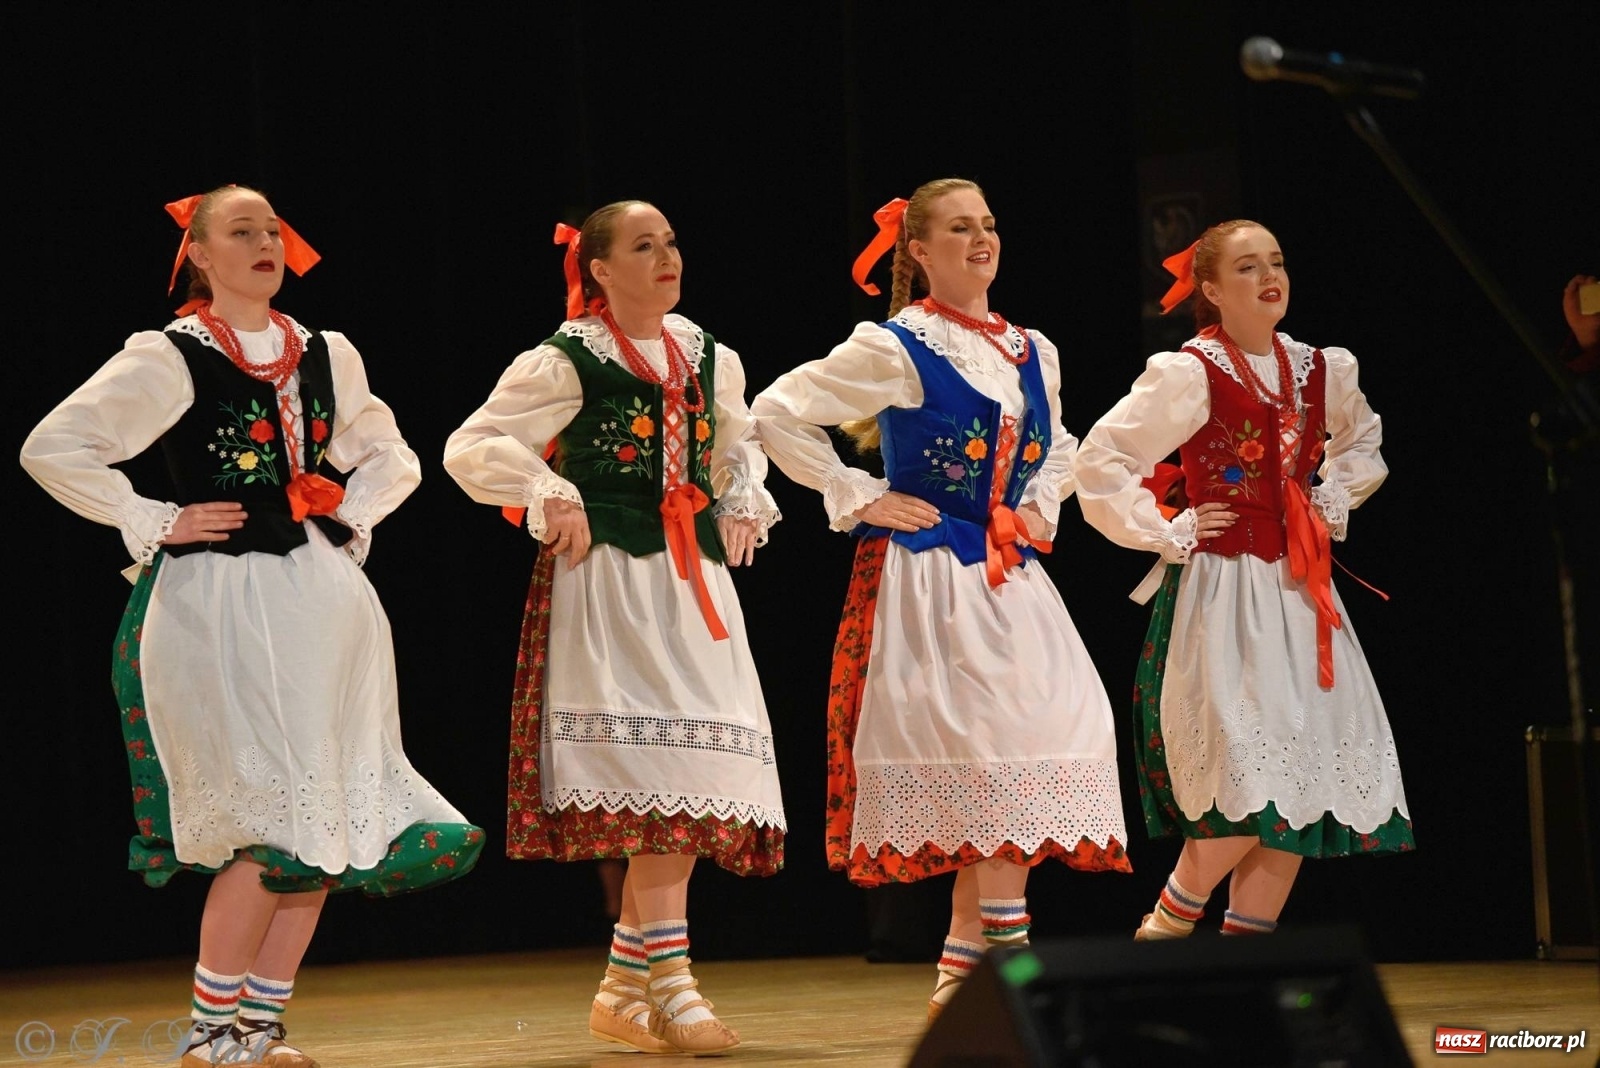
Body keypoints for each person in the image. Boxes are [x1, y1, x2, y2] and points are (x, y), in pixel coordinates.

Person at [19, 186, 482, 1068]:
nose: (265, 243)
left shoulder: (324, 352)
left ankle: (259, 1030)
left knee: (323, 824)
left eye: (272, 230)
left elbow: (390, 454)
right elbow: (55, 444)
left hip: (320, 606)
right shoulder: (169, 357)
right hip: (222, 607)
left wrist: (354, 519)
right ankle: (206, 1035)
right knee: (268, 823)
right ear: (198, 254)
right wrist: (153, 516)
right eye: (242, 232)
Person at [750, 178, 1130, 1022]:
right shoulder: (896, 345)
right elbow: (776, 411)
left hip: (1010, 569)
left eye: (989, 224)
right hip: (928, 574)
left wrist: (1040, 500)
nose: (981, 239)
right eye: (960, 227)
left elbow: (1059, 442)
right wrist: (857, 492)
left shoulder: (1034, 347)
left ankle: (966, 980)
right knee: (984, 752)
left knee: (1051, 733)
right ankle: (1001, 970)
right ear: (918, 252)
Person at [442, 201, 784, 1055]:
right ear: (598, 269)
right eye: (643, 246)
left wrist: (740, 494)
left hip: (692, 579)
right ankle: (672, 984)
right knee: (654, 775)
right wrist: (550, 493)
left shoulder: (711, 354)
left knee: (694, 769)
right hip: (611, 583)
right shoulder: (565, 361)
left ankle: (621, 987)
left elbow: (738, 441)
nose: (666, 256)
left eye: (671, 241)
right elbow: (473, 444)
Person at [1073, 219, 1413, 943]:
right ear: (1210, 289)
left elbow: (1364, 440)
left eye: (1278, 262)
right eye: (1248, 266)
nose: (1270, 277)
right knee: (1248, 785)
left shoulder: (1320, 367)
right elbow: (1100, 459)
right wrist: (1169, 528)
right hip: (1225, 595)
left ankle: (1242, 970)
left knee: (1299, 793)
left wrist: (1329, 497)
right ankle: (1161, 937)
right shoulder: (1193, 372)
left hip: (1298, 591)